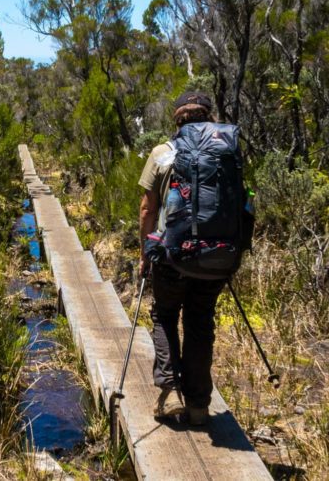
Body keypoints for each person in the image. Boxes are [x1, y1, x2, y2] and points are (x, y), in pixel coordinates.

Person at [138, 91, 227, 426]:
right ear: (209, 116)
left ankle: (170, 391)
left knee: (164, 315)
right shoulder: (226, 152)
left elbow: (148, 209)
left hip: (171, 256)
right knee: (200, 321)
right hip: (215, 257)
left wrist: (145, 251)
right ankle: (200, 404)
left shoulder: (163, 153)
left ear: (177, 119)